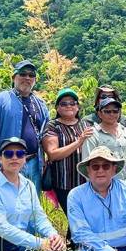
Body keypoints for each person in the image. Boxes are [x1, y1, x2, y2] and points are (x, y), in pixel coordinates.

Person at [0, 60, 50, 192]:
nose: (27, 78)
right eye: (23, 74)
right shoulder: (0, 100)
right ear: (14, 77)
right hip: (8, 162)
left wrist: (43, 162)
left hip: (34, 163)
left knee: (31, 204)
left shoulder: (40, 104)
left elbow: (46, 134)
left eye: (31, 75)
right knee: (8, 205)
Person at [40, 88, 94, 242]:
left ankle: (76, 250)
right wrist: (79, 141)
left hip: (86, 181)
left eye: (73, 103)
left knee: (86, 217)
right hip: (64, 182)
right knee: (74, 218)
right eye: (64, 104)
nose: (69, 106)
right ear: (57, 108)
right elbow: (53, 154)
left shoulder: (86, 124)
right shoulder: (52, 126)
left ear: (78, 107)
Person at [82, 96, 126, 182]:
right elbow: (88, 164)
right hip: (104, 187)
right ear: (99, 114)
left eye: (115, 111)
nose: (112, 114)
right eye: (107, 111)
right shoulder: (92, 134)